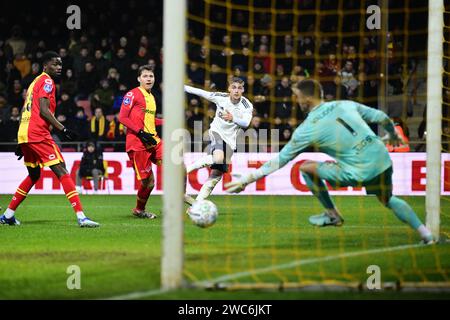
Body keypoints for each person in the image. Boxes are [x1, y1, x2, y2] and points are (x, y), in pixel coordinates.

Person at [225, 79, 435, 244]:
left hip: (359, 170)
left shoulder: (306, 129)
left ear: (306, 100)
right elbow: (380, 116)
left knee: (305, 168)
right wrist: (394, 135)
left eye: (298, 98)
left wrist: (247, 178)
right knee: (387, 199)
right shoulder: (345, 104)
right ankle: (426, 233)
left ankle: (332, 214)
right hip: (382, 157)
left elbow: (279, 160)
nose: (298, 102)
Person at [0, 51, 99, 227]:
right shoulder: (47, 81)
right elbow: (43, 111)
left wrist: (21, 138)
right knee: (61, 169)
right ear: (45, 66)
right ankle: (81, 217)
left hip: (26, 132)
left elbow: (26, 109)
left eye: (60, 64)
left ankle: (8, 215)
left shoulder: (34, 83)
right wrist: (64, 128)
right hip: (38, 133)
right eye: (55, 64)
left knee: (34, 174)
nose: (59, 67)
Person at [184, 77, 253, 204]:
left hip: (231, 141)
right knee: (218, 158)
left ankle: (197, 204)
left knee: (216, 175)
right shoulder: (221, 97)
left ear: (243, 90)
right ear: (229, 89)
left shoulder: (246, 105)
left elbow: (246, 122)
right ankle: (186, 170)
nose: (236, 90)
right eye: (234, 87)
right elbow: (201, 92)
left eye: (239, 88)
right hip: (217, 132)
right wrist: (182, 87)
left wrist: (233, 118)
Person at [118, 65, 163, 219]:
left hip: (153, 140)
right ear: (139, 79)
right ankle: (139, 210)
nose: (149, 79)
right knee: (149, 183)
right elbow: (122, 118)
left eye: (151, 76)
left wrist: (165, 121)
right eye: (145, 76)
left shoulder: (152, 97)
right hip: (137, 143)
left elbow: (149, 120)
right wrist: (141, 133)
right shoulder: (133, 94)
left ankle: (183, 203)